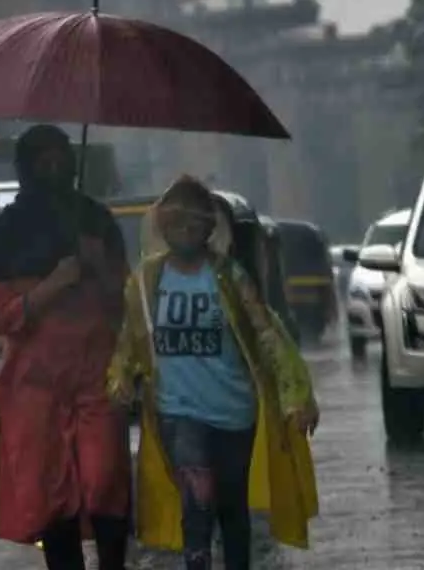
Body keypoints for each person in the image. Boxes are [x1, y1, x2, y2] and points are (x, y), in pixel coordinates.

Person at [107, 175, 320, 570]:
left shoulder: (231, 278)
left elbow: (268, 333)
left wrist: (296, 394)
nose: (185, 230)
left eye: (194, 223)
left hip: (234, 410)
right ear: (162, 227)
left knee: (230, 506)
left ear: (209, 228)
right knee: (196, 499)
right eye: (175, 223)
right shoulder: (145, 281)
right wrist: (120, 378)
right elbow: (131, 339)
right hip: (177, 412)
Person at [0, 124, 132, 570]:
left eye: (60, 157)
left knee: (105, 484)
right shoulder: (3, 235)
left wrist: (97, 268)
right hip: (34, 387)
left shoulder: (96, 222)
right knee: (51, 497)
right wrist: (55, 284)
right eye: (42, 159)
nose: (54, 167)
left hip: (96, 375)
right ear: (26, 168)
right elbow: (1, 318)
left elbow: (122, 299)